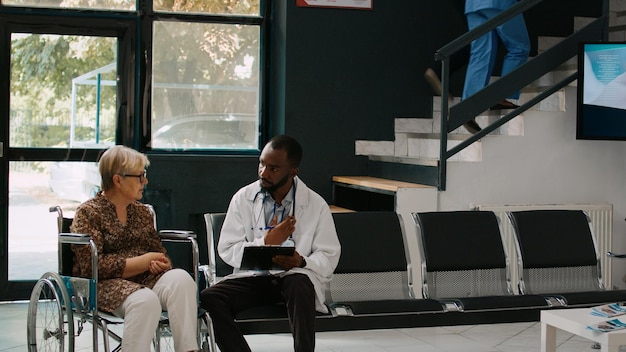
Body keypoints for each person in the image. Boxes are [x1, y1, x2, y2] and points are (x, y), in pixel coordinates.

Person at [200, 135, 341, 352]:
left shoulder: (315, 204)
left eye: (273, 168)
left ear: (293, 171)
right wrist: (266, 242)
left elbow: (329, 255)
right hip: (255, 279)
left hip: (294, 279)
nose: (263, 173)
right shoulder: (243, 198)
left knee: (299, 282)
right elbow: (227, 248)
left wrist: (301, 261)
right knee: (210, 297)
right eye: (262, 164)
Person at [70, 145, 199, 352]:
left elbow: (159, 253)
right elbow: (92, 267)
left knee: (182, 280)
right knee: (145, 301)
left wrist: (160, 264)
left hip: (145, 279)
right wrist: (143, 261)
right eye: (140, 176)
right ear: (117, 180)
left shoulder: (142, 212)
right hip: (105, 285)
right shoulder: (88, 213)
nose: (145, 182)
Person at [462, 0, 530, 111]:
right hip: (499, 3)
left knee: (480, 54)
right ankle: (500, 96)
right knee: (519, 48)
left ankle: (467, 108)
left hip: (473, 5)